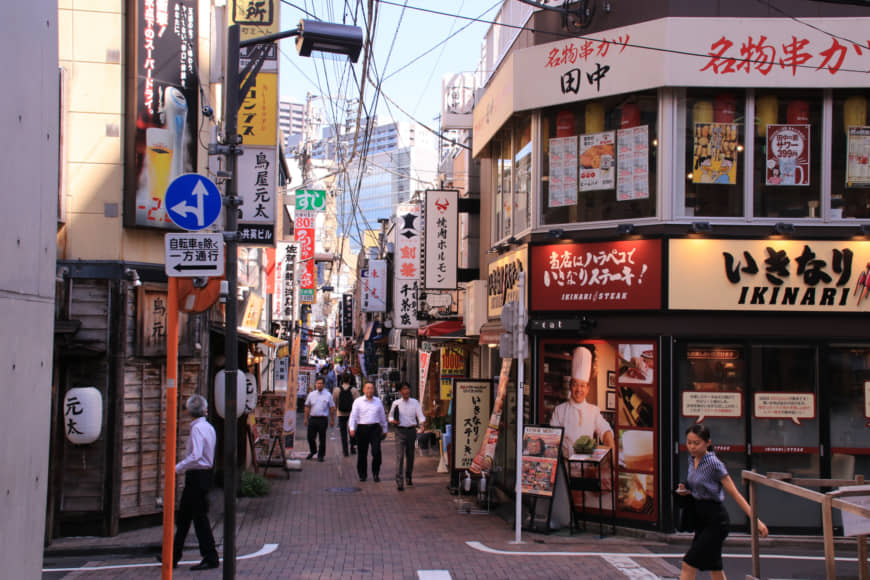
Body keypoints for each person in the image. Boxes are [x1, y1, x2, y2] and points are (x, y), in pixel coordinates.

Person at [677, 424, 769, 580]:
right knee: (715, 567)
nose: (692, 447)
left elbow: (734, 493)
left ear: (708, 443)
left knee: (688, 563)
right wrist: (685, 491)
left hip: (716, 521)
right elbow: (698, 487)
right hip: (701, 519)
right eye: (689, 442)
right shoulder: (691, 460)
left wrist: (756, 521)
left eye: (697, 443)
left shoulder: (714, 464)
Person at [170, 394, 219, 571]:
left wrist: (178, 467)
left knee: (198, 518)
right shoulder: (208, 427)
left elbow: (196, 455)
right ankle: (173, 555)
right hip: (203, 475)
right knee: (185, 517)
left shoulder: (197, 429)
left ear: (189, 412)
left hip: (197, 475)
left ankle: (210, 556)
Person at [550, 345, 614, 460]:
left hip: (587, 467)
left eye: (582, 386)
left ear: (587, 389)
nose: (579, 390)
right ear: (570, 386)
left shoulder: (593, 411)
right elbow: (551, 440)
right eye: (575, 385)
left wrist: (612, 454)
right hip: (565, 467)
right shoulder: (559, 410)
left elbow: (605, 431)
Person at [388, 381, 426, 491]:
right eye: (403, 389)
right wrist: (393, 421)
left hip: (411, 431)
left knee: (410, 456)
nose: (406, 391)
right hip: (400, 431)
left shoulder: (415, 403)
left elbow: (420, 416)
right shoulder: (396, 403)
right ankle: (399, 480)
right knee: (399, 456)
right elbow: (390, 417)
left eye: (407, 389)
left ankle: (408, 476)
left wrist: (422, 425)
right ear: (400, 391)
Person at [348, 381, 388, 482]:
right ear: (364, 390)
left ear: (374, 390)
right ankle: (362, 474)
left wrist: (385, 428)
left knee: (376, 452)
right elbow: (353, 416)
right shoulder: (358, 401)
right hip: (362, 429)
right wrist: (352, 428)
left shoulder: (378, 401)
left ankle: (376, 473)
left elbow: (382, 416)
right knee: (362, 453)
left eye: (371, 388)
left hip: (375, 428)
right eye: (368, 388)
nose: (370, 390)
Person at [304, 377, 335, 462]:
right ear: (315, 384)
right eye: (318, 383)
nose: (319, 385)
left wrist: (332, 420)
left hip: (322, 419)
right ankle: (313, 451)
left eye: (321, 383)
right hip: (312, 418)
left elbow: (332, 407)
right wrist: (305, 418)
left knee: (322, 438)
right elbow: (307, 406)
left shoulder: (328, 395)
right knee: (310, 437)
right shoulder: (311, 394)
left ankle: (321, 455)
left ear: (324, 384)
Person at [332, 375, 360, 456]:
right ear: (350, 379)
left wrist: (335, 412)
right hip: (352, 414)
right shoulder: (354, 390)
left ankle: (345, 450)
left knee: (343, 432)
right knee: (352, 430)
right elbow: (358, 402)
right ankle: (352, 447)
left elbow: (334, 402)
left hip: (340, 413)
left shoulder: (336, 390)